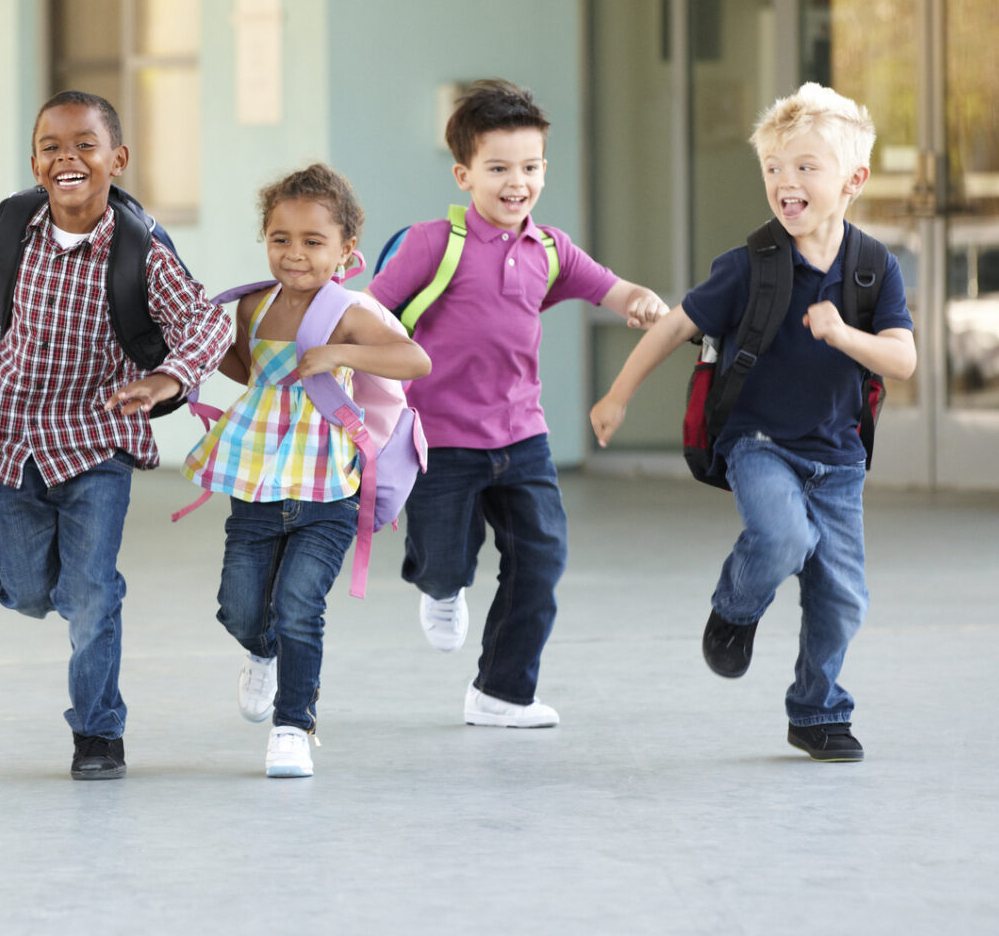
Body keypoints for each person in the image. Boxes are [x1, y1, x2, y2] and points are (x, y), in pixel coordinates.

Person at [589, 83, 915, 762]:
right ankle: (735, 609)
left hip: (839, 458)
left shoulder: (873, 269)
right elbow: (675, 325)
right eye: (773, 167)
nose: (785, 181)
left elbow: (902, 360)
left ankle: (818, 712)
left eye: (805, 167)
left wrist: (842, 334)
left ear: (853, 181)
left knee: (843, 597)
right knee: (784, 535)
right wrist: (617, 394)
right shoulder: (748, 267)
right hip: (758, 443)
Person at [366, 79, 669, 729]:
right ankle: (441, 587)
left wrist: (641, 301)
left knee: (543, 556)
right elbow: (369, 313)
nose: (517, 182)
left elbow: (613, 289)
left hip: (522, 436)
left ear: (544, 170)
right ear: (464, 175)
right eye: (499, 168)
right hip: (439, 438)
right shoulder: (433, 243)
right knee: (445, 560)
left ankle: (501, 693)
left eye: (530, 168)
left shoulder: (550, 249)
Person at [0, 91, 231, 781]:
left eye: (85, 144)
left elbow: (209, 324)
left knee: (91, 593)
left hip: (95, 443)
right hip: (10, 441)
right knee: (27, 590)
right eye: (51, 146)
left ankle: (99, 732)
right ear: (35, 162)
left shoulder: (140, 251)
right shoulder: (11, 229)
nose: (68, 158)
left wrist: (168, 379)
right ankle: (71, 594)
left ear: (118, 159)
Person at [182, 164, 429, 777]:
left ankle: (294, 726)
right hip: (257, 481)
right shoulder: (254, 307)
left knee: (299, 603)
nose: (295, 254)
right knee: (240, 605)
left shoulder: (350, 311)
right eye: (281, 239)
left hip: (328, 487)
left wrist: (342, 352)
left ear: (346, 249)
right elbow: (248, 369)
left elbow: (415, 360)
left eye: (313, 241)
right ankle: (262, 651)